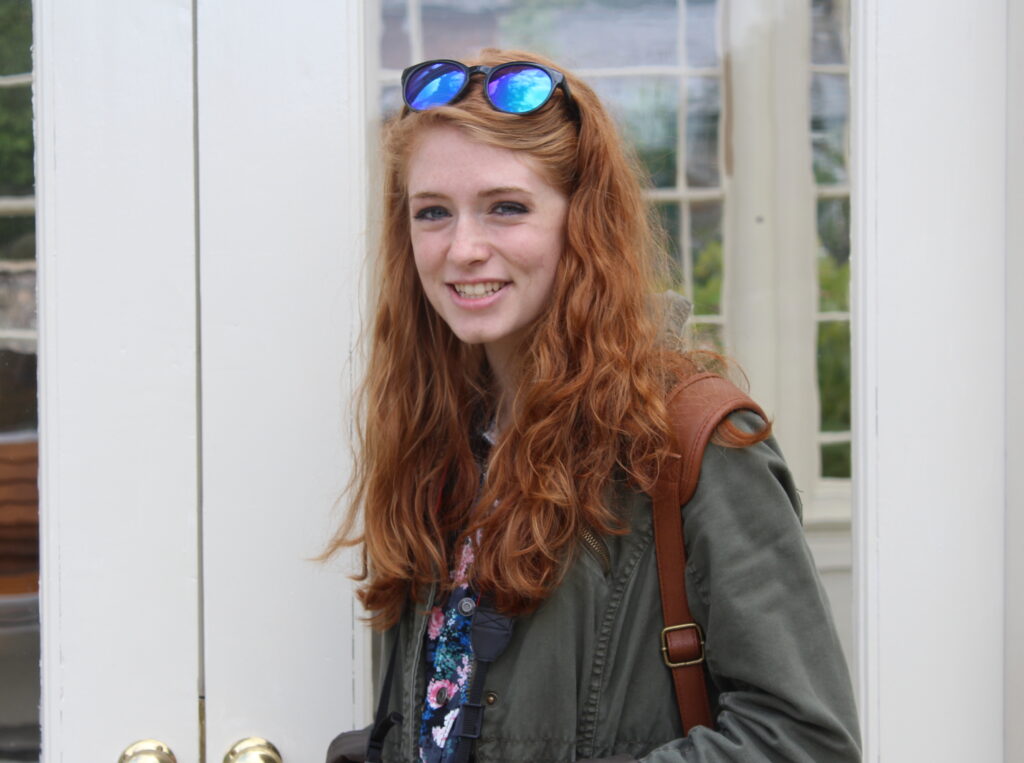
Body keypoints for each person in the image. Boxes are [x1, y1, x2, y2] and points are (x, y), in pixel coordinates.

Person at [323, 49, 860, 763]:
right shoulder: (440, 438)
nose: (462, 248)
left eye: (505, 208)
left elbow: (807, 740)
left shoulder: (693, 443)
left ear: (583, 223)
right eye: (432, 213)